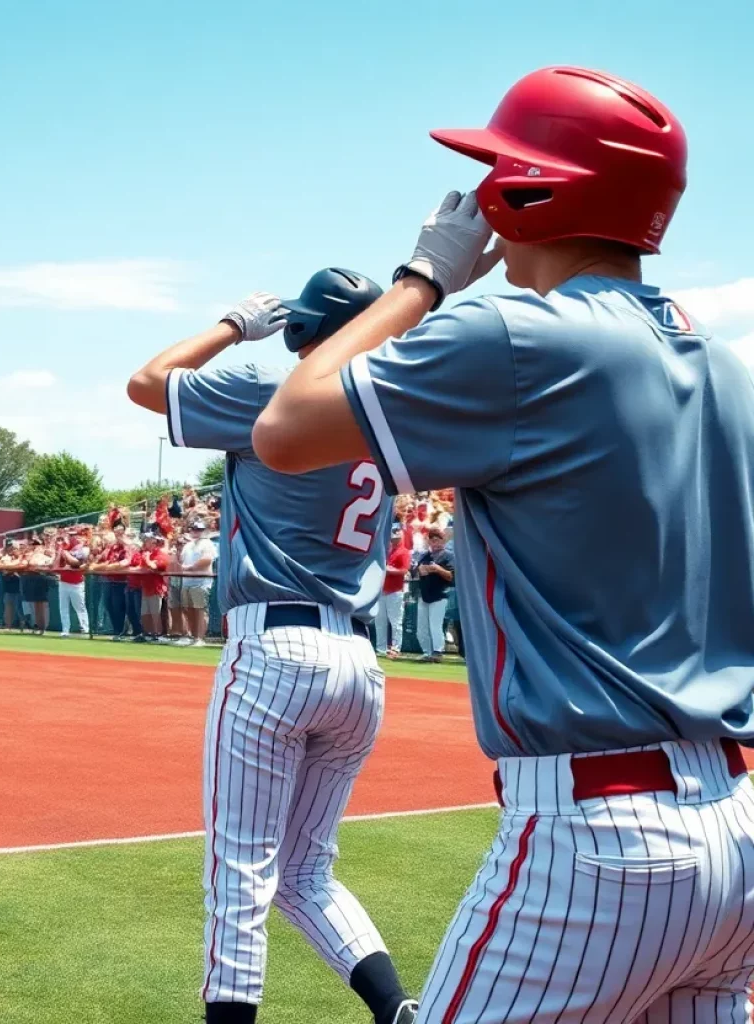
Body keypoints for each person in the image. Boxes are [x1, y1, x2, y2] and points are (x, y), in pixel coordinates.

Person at [251, 66, 754, 1023]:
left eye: (497, 170)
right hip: (735, 822)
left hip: (601, 837)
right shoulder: (724, 365)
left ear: (533, 191)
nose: (483, 190)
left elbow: (285, 427)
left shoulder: (518, 332)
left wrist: (423, 279)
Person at [128, 267, 418, 1024]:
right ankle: (396, 1009)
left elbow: (148, 381)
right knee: (305, 872)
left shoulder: (276, 391)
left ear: (301, 331)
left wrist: (231, 324)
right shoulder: (390, 412)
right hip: (360, 662)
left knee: (240, 874)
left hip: (275, 650)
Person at [413, 529, 454, 663]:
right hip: (424, 593)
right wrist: (420, 571)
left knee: (435, 625)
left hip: (440, 594)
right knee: (421, 628)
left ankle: (438, 652)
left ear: (443, 541)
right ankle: (427, 652)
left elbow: (451, 576)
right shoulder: (425, 556)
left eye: (437, 540)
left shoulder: (448, 555)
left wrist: (437, 569)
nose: (435, 542)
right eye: (432, 540)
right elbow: (415, 571)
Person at [176, 519, 217, 647]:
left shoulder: (207, 544)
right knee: (187, 609)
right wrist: (178, 547)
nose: (196, 532)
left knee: (200, 610)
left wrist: (191, 567)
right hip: (187, 581)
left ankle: (199, 638)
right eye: (194, 529)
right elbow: (180, 560)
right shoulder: (188, 545)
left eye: (199, 529)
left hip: (201, 581)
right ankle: (191, 635)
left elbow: (207, 560)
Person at [376, 523, 411, 659]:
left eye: (396, 538)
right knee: (380, 621)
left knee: (395, 622)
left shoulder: (403, 552)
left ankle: (396, 648)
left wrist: (390, 570)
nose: (394, 540)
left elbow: (404, 570)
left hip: (395, 591)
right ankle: (380, 648)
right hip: (383, 590)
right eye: (392, 538)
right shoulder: (388, 551)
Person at [55, 531, 90, 637]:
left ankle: (85, 629)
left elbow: (78, 564)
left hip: (77, 582)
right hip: (63, 582)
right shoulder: (63, 548)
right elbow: (55, 566)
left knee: (80, 606)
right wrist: (60, 550)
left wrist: (66, 557)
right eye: (70, 535)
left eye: (74, 535)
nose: (72, 537)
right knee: (63, 607)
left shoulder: (83, 549)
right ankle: (65, 629)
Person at [139, 529, 170, 639]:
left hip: (156, 588)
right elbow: (142, 568)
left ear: (154, 542)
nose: (145, 542)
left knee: (155, 614)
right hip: (146, 587)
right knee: (145, 613)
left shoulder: (160, 554)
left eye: (148, 540)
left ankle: (158, 634)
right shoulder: (146, 553)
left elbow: (153, 566)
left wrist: (147, 558)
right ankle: (149, 633)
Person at [20, 536, 53, 635]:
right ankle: (37, 626)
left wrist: (37, 566)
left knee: (41, 605)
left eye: (37, 544)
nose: (35, 546)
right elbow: (28, 563)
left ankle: (43, 628)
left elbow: (48, 564)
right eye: (33, 544)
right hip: (30, 578)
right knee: (33, 605)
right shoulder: (29, 554)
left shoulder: (46, 553)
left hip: (41, 578)